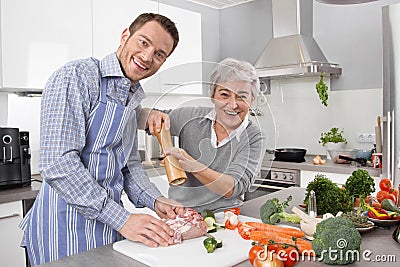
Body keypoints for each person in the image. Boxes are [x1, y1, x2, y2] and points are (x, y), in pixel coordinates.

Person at [19, 13, 185, 266]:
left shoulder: (133, 96)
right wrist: (124, 220)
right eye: (143, 42)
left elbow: (128, 165)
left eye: (160, 54)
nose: (148, 56)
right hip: (63, 229)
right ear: (125, 35)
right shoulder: (77, 76)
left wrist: (155, 200)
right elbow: (58, 164)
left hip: (108, 229)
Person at [143, 58, 265, 212]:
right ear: (212, 95)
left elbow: (233, 188)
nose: (233, 105)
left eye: (242, 96)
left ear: (252, 100)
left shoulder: (254, 136)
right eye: (224, 94)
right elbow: (140, 118)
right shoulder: (190, 116)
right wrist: (150, 114)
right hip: (181, 212)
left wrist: (193, 166)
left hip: (227, 217)